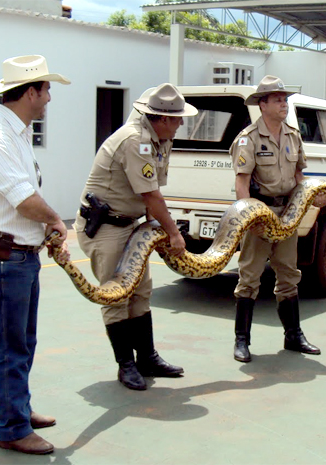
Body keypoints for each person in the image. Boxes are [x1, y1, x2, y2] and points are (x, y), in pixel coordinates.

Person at [0, 55, 70, 455]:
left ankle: (19, 411)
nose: (48, 99)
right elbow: (24, 201)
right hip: (3, 258)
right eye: (46, 90)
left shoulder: (17, 136)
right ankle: (11, 428)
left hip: (19, 257)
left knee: (22, 342)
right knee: (9, 345)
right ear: (30, 92)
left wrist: (44, 228)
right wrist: (56, 222)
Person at [75, 83, 197, 390]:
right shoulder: (135, 141)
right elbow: (152, 195)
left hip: (130, 224)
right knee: (117, 295)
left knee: (141, 290)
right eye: (177, 118)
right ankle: (125, 365)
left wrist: (154, 231)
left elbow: (151, 197)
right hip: (106, 227)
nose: (181, 123)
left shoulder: (159, 139)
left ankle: (147, 357)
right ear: (162, 119)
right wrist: (173, 235)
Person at [230, 75, 324, 363]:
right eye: (278, 99)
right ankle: (242, 340)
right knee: (249, 278)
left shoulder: (293, 135)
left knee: (289, 276)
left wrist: (312, 194)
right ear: (262, 104)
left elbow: (298, 176)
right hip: (260, 213)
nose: (284, 104)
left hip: (287, 214)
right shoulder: (248, 138)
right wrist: (249, 217)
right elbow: (242, 183)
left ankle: (293, 335)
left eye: (285, 99)